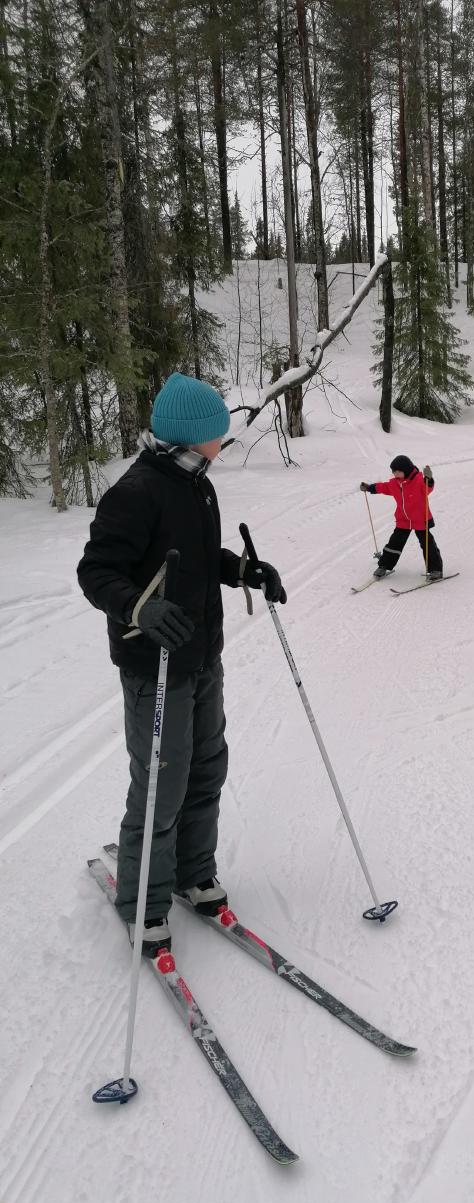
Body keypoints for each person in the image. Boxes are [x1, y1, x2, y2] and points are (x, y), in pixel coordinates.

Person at [77, 372, 287, 955]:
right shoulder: (138, 491)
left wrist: (242, 570)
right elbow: (96, 572)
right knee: (162, 784)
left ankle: (194, 874)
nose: (226, 438)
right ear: (192, 437)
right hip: (155, 665)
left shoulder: (197, 484)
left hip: (200, 657)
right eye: (219, 431)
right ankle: (144, 901)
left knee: (206, 767)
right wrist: (139, 611)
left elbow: (192, 557)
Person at [360, 455, 443, 580]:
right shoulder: (394, 483)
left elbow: (428, 488)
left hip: (420, 519)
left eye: (398, 471)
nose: (395, 474)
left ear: (407, 469)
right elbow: (383, 487)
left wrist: (429, 479)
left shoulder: (419, 480)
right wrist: (369, 487)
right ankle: (384, 565)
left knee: (427, 544)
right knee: (394, 543)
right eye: (394, 472)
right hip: (403, 520)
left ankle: (436, 570)